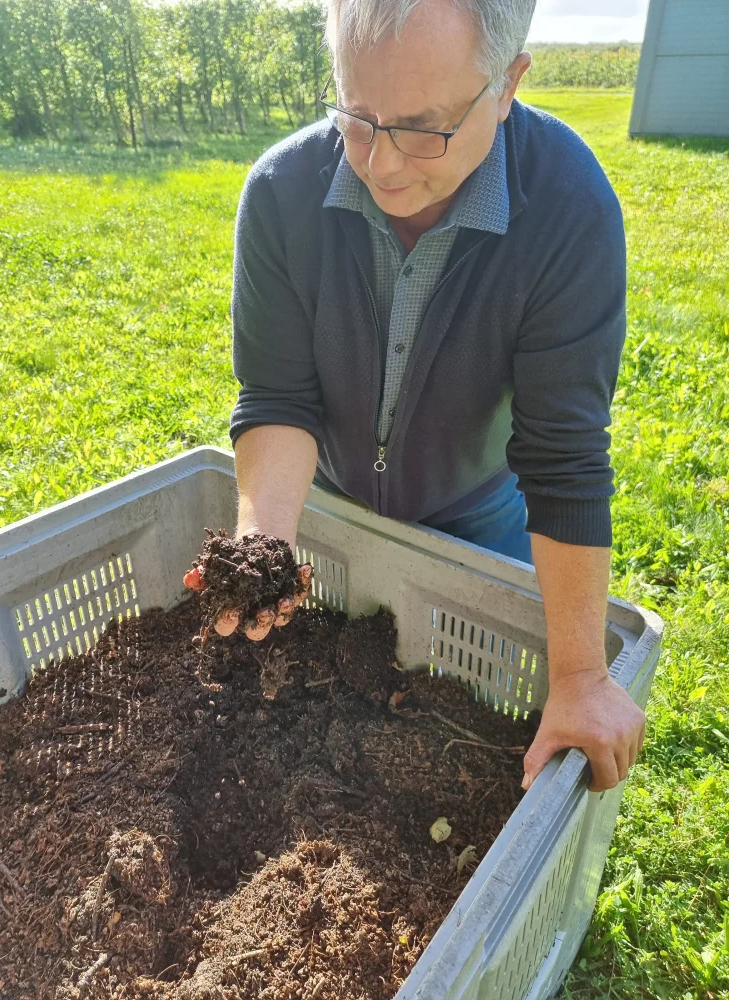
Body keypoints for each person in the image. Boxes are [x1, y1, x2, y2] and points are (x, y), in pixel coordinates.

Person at [186, 0, 645, 794]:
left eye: (423, 127)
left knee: (482, 731)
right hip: (327, 506)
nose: (384, 164)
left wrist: (577, 673)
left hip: (480, 513)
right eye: (357, 117)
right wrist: (265, 549)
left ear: (506, 86)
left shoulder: (569, 209)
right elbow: (279, 398)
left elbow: (562, 456)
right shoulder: (280, 195)